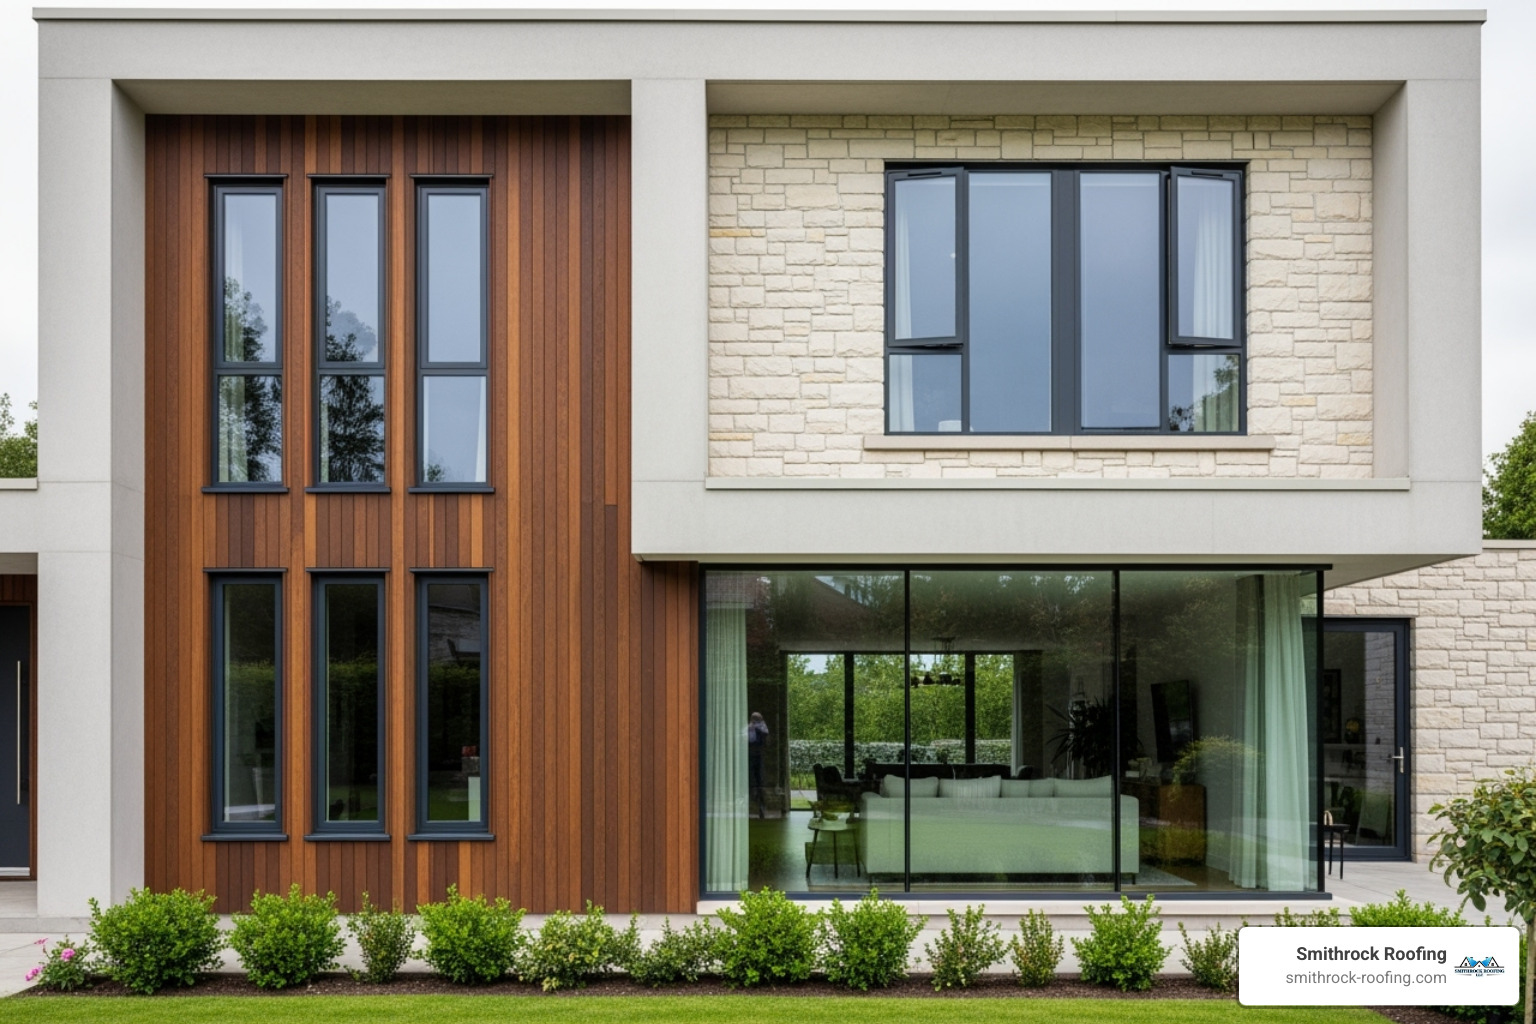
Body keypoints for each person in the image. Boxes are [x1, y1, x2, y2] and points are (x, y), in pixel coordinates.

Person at [746, 711, 769, 818]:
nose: (755, 721)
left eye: (757, 719)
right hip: (750, 756)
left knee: (760, 781)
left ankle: (761, 806)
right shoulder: (749, 727)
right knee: (752, 780)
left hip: (759, 756)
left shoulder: (762, 728)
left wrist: (756, 728)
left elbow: (765, 734)